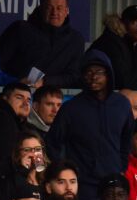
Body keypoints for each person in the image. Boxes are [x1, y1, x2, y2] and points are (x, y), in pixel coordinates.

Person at [48, 52, 130, 189]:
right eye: (88, 72)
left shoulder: (122, 104)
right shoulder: (71, 108)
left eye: (99, 72)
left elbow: (126, 140)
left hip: (113, 180)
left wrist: (121, 167)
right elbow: (52, 142)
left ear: (108, 75)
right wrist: (66, 172)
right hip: (82, 183)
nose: (93, 77)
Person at [0, 0, 86, 88]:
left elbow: (74, 76)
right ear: (41, 9)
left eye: (59, 8)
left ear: (67, 11)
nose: (54, 12)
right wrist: (16, 82)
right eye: (49, 8)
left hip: (55, 97)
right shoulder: (20, 29)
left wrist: (45, 82)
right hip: (15, 93)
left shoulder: (76, 40)